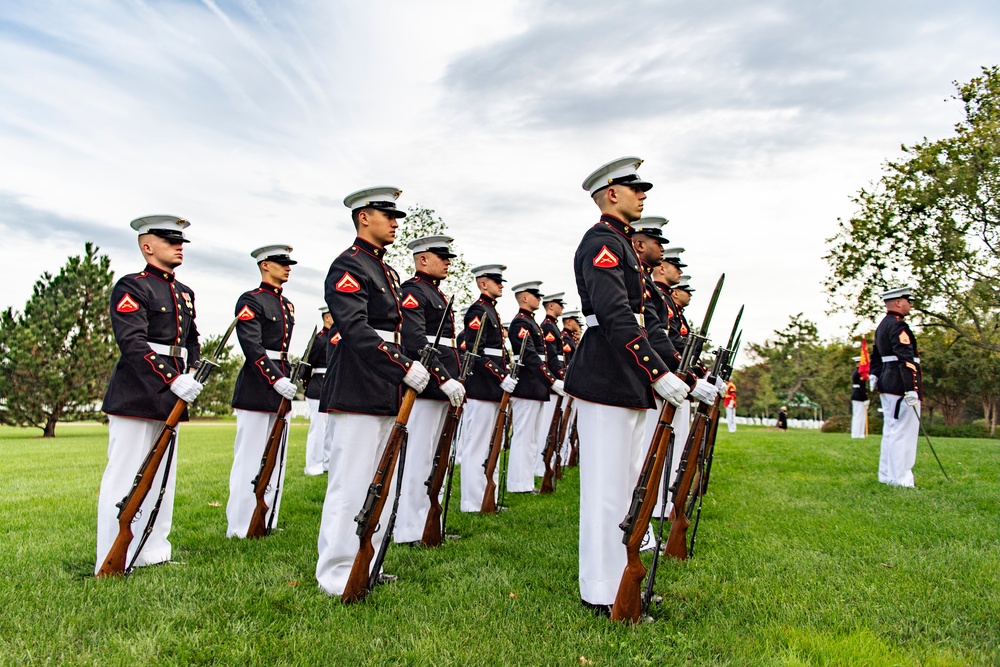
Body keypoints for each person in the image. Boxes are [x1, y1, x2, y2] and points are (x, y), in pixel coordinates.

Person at [563, 157, 715, 616]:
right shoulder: (602, 244)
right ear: (612, 193)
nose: (643, 195)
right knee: (607, 489)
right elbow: (615, 317)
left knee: (628, 484)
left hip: (625, 377)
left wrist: (689, 374)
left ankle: (619, 581)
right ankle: (603, 589)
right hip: (607, 375)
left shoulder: (623, 246)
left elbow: (649, 325)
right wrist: (657, 371)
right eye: (635, 188)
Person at [316, 186, 431, 597]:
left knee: (377, 479)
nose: (396, 222)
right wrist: (402, 367)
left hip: (383, 383)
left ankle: (368, 561)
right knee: (351, 483)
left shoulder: (387, 271)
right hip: (359, 383)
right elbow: (357, 330)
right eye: (389, 215)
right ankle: (336, 572)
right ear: (364, 217)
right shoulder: (348, 266)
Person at [96, 215, 202, 574]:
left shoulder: (185, 293)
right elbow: (133, 343)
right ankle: (112, 552)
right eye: (170, 240)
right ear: (147, 246)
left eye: (181, 241)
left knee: (162, 478)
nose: (179, 246)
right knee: (125, 476)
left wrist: (191, 373)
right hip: (136, 393)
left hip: (171, 394)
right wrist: (172, 379)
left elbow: (191, 341)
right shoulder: (132, 287)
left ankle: (153, 549)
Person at [393, 235, 466, 545]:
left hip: (442, 383)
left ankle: (427, 523)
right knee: (419, 458)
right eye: (441, 255)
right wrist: (442, 377)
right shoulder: (413, 291)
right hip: (427, 387)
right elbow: (415, 341)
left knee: (438, 457)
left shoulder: (435, 293)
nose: (448, 261)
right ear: (422, 259)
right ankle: (409, 528)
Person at [226, 244, 297, 538]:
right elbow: (253, 347)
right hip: (258, 385)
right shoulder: (251, 301)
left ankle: (268, 519)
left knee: (276, 459)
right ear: (265, 265)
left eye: (289, 262)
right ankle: (242, 524)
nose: (288, 267)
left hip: (281, 384)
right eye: (281, 262)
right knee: (251, 458)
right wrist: (274, 378)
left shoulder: (287, 304)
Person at [459, 264, 517, 512]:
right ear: (483, 283)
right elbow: (476, 353)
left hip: (491, 388)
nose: (501, 285)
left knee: (490, 444)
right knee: (477, 444)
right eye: (496, 281)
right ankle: (472, 501)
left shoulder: (490, 311)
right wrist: (500, 375)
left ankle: (484, 495)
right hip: (482, 388)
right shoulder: (478, 311)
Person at [507, 281, 563, 492]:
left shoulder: (530, 322)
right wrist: (551, 380)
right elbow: (530, 356)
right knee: (523, 435)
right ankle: (518, 483)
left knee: (531, 437)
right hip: (528, 384)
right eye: (534, 295)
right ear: (524, 298)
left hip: (535, 385)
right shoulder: (520, 323)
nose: (539, 299)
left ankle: (526, 481)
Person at [870, 286, 922, 486]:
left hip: (887, 381)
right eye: (908, 301)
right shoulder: (899, 326)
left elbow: (877, 355)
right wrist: (911, 388)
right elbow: (906, 359)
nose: (910, 304)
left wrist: (875, 374)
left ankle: (887, 476)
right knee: (903, 432)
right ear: (899, 302)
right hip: (900, 384)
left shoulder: (883, 325)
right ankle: (901, 478)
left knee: (891, 431)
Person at [536, 292, 567, 476]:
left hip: (557, 381)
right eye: (559, 304)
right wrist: (560, 378)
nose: (562, 308)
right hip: (554, 383)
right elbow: (553, 359)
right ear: (551, 306)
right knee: (546, 427)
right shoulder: (547, 326)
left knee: (552, 426)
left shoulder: (552, 326)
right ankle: (541, 468)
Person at [304, 307, 334, 475]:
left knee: (331, 428)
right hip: (318, 385)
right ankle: (313, 465)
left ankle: (328, 463)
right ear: (327, 317)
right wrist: (307, 384)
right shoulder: (320, 339)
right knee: (318, 429)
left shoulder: (336, 337)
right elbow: (308, 363)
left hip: (331, 385)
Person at [850, 357, 869, 439]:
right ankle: (858, 433)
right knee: (859, 416)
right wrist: (865, 398)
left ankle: (857, 433)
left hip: (856, 395)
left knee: (858, 415)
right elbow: (862, 386)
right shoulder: (859, 373)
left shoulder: (856, 372)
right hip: (859, 396)